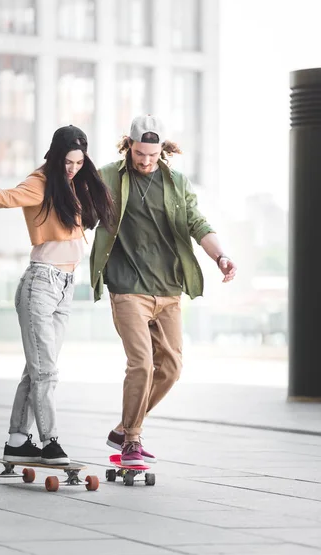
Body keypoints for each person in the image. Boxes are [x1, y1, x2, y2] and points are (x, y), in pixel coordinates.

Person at [0, 125, 115, 465]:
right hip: (41, 285)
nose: (73, 168)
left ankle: (18, 439)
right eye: (68, 162)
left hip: (65, 287)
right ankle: (50, 442)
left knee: (38, 369)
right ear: (56, 155)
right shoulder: (41, 182)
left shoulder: (71, 186)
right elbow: (8, 197)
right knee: (46, 371)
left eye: (78, 162)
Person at [90, 115, 237, 466]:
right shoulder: (109, 176)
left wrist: (221, 256)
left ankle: (124, 428)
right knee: (141, 363)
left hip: (169, 288)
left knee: (170, 368)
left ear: (162, 151)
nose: (145, 161)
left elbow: (197, 222)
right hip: (127, 287)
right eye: (140, 154)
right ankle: (132, 441)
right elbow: (83, 214)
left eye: (152, 156)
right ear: (129, 145)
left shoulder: (177, 182)